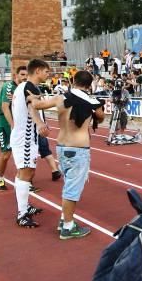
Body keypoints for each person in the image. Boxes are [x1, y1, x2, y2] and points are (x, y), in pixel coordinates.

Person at [31, 71, 104, 239]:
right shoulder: (92, 101)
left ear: (73, 80)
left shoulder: (60, 98)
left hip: (62, 147)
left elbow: (37, 105)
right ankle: (68, 227)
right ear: (89, 84)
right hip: (78, 149)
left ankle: (65, 220)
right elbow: (100, 117)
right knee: (72, 189)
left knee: (68, 185)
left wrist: (33, 98)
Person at [10, 59, 51, 228]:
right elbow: (31, 106)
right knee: (26, 172)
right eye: (46, 72)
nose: (48, 75)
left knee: (26, 172)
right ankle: (22, 214)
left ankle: (25, 207)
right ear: (38, 71)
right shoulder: (30, 87)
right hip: (26, 137)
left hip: (24, 136)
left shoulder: (23, 87)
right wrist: (39, 123)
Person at [0, 67, 28, 190]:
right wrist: (13, 125)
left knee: (23, 154)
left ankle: (23, 181)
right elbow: (5, 107)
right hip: (5, 124)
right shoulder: (9, 86)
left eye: (26, 75)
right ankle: (0, 179)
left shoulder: (24, 88)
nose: (25, 77)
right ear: (16, 75)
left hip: (19, 125)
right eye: (22, 74)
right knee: (6, 155)